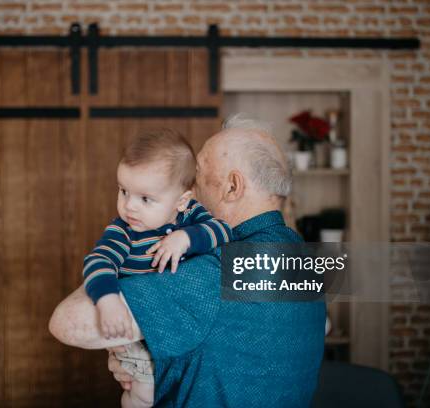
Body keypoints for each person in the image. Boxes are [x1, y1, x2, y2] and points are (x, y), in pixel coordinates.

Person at [49, 114, 326, 407]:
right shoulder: (307, 258)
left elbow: (66, 321)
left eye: (198, 171)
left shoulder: (218, 272)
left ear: (232, 187)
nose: (188, 187)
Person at [81, 128, 232, 408]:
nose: (129, 207)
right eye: (123, 191)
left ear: (182, 200)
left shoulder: (191, 216)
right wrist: (108, 300)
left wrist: (185, 238)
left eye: (145, 198)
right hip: (143, 333)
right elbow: (98, 261)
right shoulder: (123, 232)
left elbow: (222, 230)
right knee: (146, 395)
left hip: (181, 330)